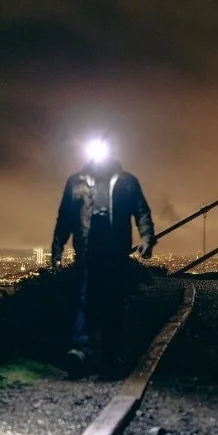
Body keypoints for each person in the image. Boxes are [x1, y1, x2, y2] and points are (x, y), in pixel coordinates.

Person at [50, 141, 155, 376]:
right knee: (85, 300)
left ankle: (108, 356)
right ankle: (81, 351)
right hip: (88, 250)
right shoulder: (76, 182)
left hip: (115, 250)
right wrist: (57, 249)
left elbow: (141, 211)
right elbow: (65, 217)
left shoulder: (127, 182)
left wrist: (147, 238)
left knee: (112, 303)